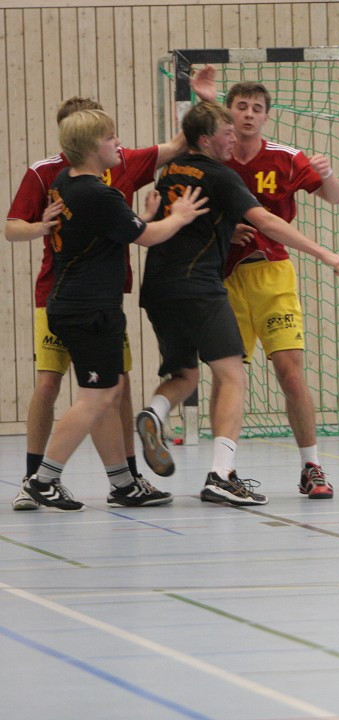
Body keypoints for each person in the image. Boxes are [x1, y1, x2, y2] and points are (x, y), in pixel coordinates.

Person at [3, 78, 212, 512]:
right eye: (110, 136)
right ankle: (42, 478)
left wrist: (141, 215)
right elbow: (147, 237)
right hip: (87, 307)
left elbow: (112, 228)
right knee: (94, 395)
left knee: (112, 390)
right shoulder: (95, 191)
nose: (118, 143)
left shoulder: (68, 182)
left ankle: (122, 481)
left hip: (81, 300)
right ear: (88, 144)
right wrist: (178, 215)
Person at [135, 100, 339, 507]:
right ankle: (220, 474)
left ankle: (155, 412)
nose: (236, 129)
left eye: (249, 115)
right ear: (207, 137)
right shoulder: (222, 175)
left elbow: (162, 222)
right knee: (231, 375)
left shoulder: (170, 171)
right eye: (228, 125)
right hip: (208, 283)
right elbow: (266, 220)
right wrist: (326, 254)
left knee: (191, 375)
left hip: (161, 287)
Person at [192, 71, 339, 499]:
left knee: (289, 370)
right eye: (241, 107)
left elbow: (335, 197)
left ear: (266, 117)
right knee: (229, 375)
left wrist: (326, 173)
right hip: (225, 277)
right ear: (229, 112)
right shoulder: (214, 156)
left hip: (272, 274)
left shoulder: (285, 158)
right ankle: (224, 471)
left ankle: (311, 465)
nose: (248, 115)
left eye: (257, 109)